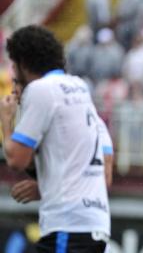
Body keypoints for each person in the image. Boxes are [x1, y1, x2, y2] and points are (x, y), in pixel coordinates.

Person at [0, 25, 110, 252]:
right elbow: (105, 168)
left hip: (67, 226)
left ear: (23, 62)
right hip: (95, 224)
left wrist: (6, 121)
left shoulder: (41, 89)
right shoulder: (80, 88)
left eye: (14, 65)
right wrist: (46, 187)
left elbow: (16, 159)